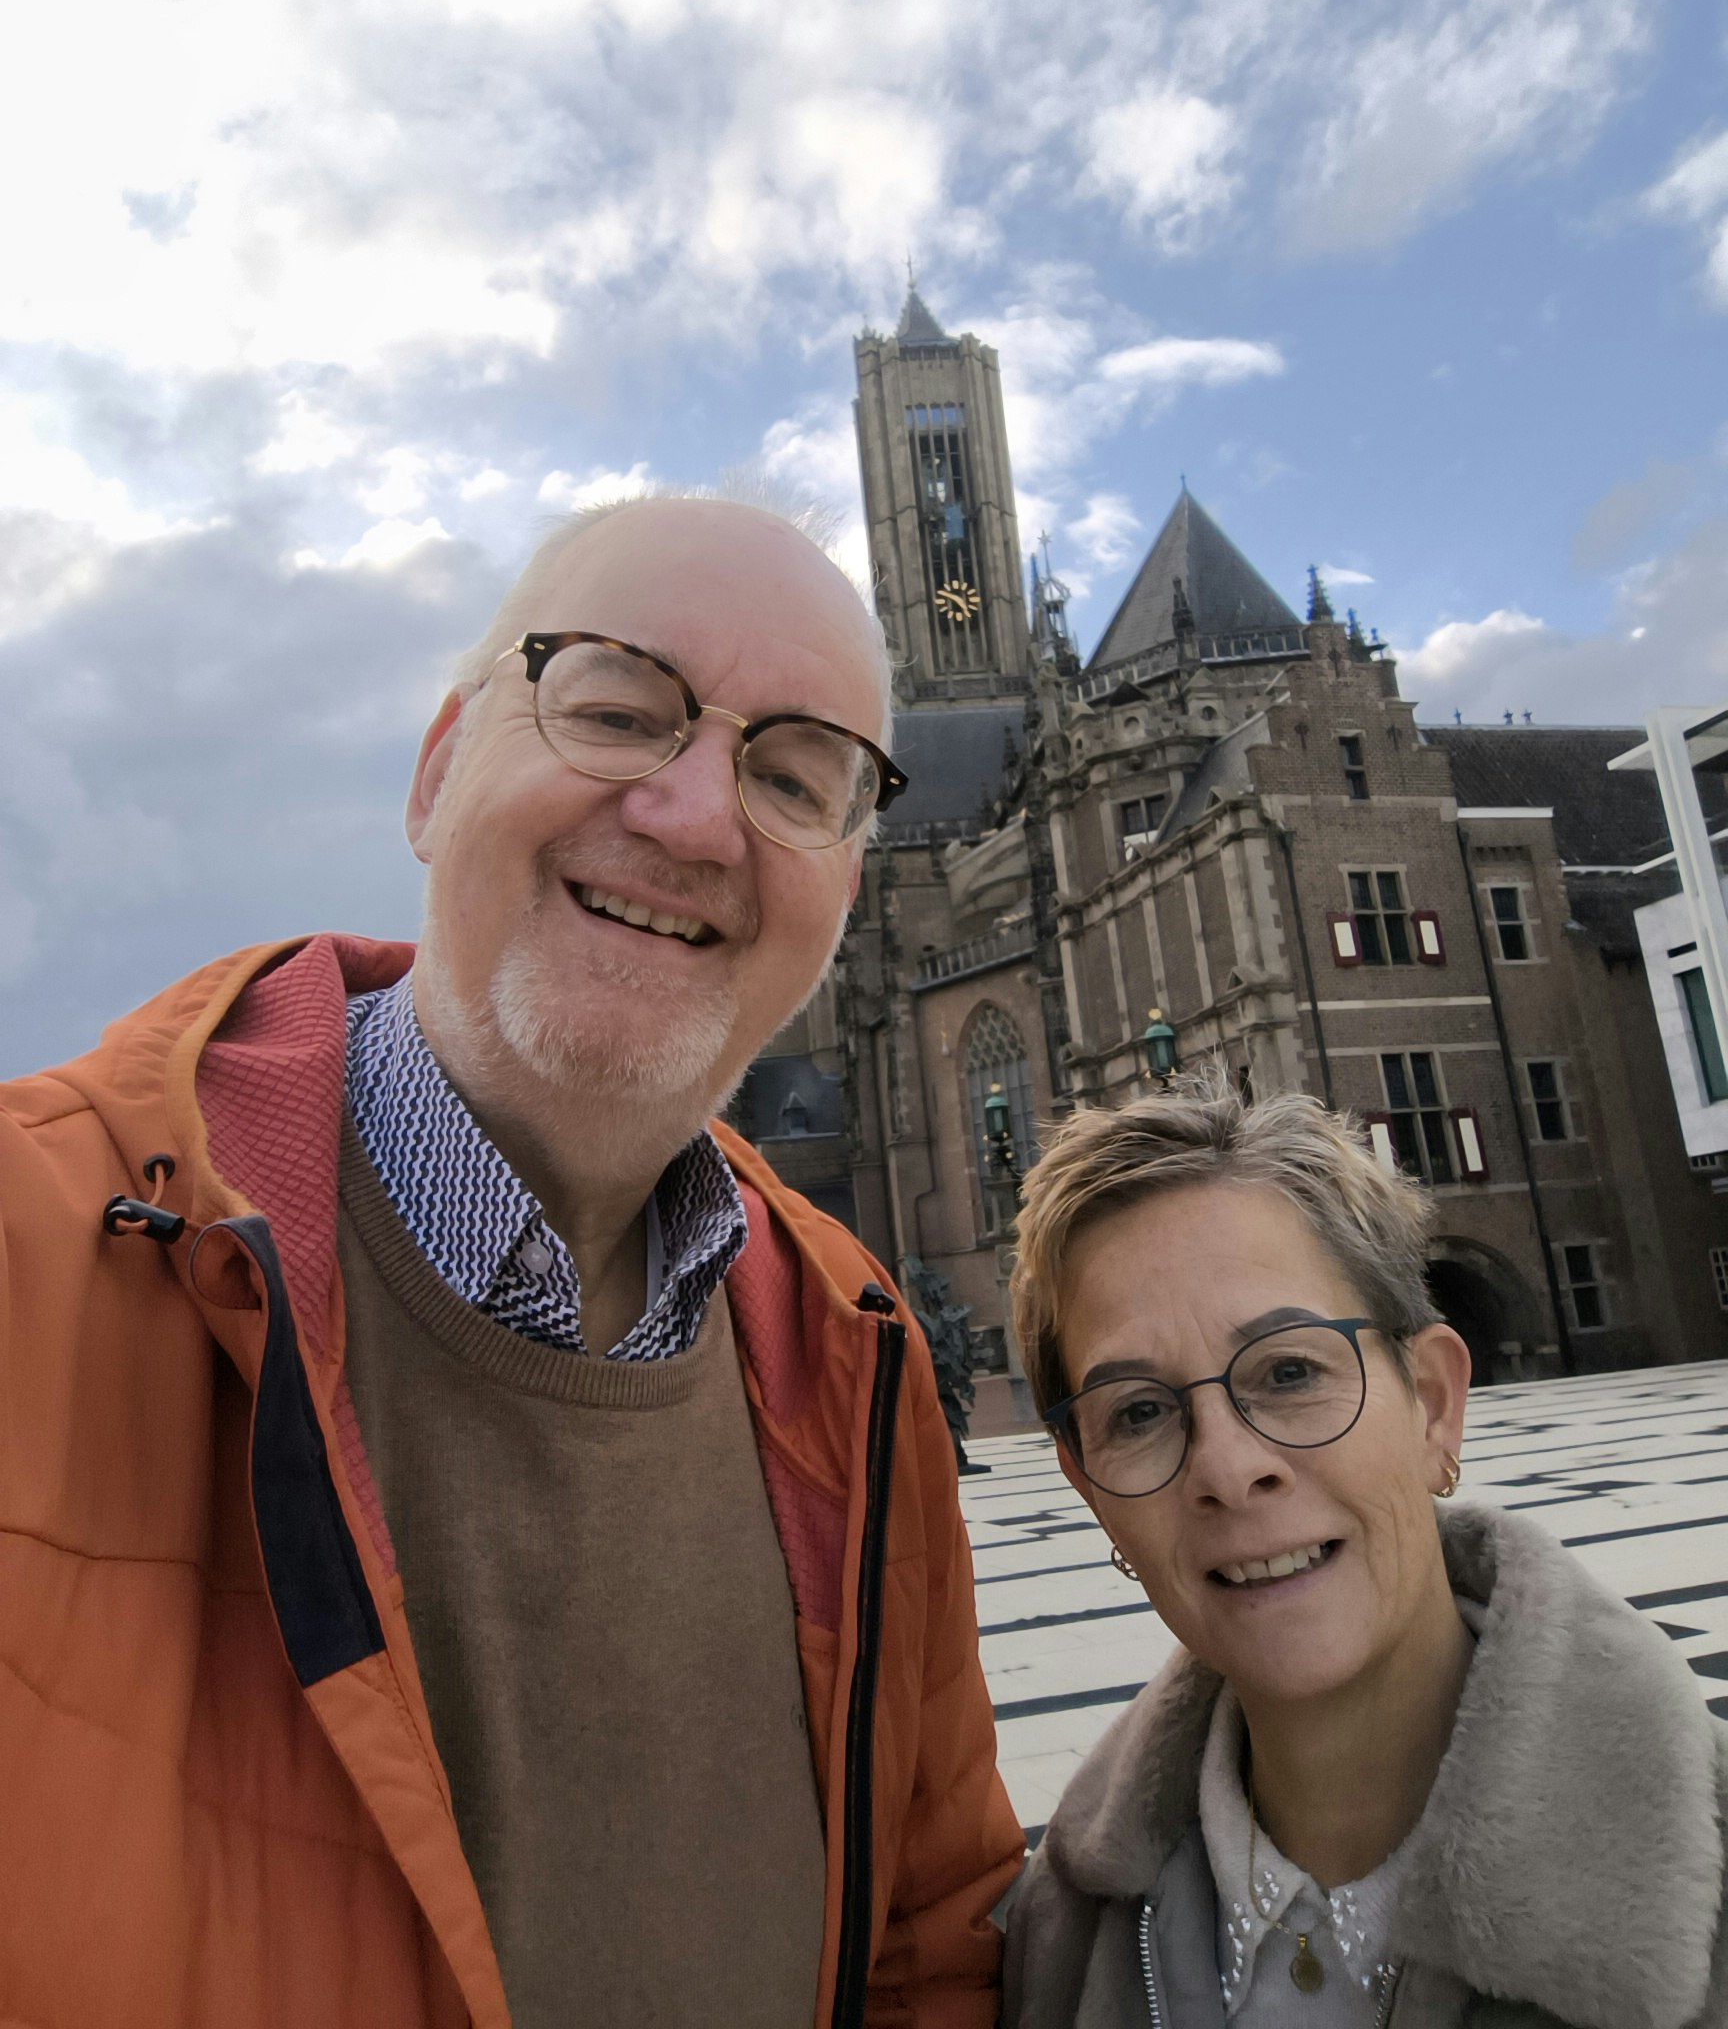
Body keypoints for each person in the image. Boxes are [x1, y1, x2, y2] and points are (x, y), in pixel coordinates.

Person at [0, 494, 1022, 2029]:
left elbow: (928, 1949)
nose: (692, 817)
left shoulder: (862, 1360)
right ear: (434, 772)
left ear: (845, 899)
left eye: (796, 775)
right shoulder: (29, 1254)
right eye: (616, 709)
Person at [1001, 1075, 1727, 2029]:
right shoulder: (1053, 1939)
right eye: (1139, 1412)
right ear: (1090, 1488)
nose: (1228, 1467)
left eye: (1290, 1370)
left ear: (1431, 1403)